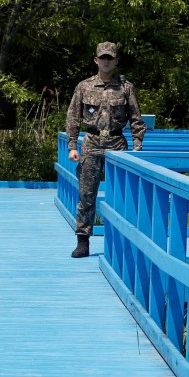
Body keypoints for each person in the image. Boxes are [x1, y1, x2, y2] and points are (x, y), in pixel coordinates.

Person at [65, 41, 146, 258]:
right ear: (96, 60)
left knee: (122, 195)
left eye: (110, 58)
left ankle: (121, 240)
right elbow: (73, 118)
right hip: (91, 143)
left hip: (117, 144)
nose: (106, 61)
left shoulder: (126, 87)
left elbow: (136, 119)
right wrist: (72, 146)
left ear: (116, 61)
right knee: (87, 194)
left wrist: (138, 145)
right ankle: (83, 241)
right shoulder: (84, 86)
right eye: (103, 57)